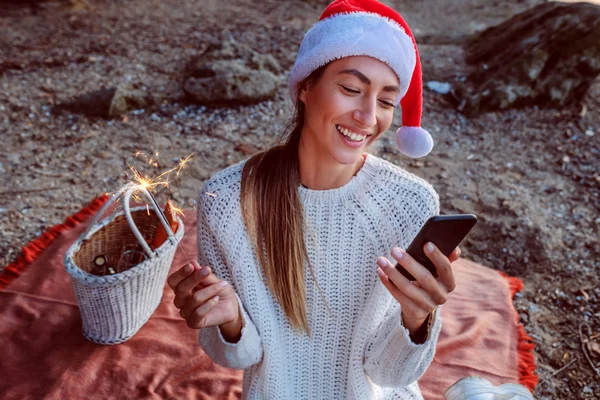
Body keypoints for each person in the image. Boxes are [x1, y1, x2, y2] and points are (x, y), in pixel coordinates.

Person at [167, 1, 533, 399]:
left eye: (387, 101)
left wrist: (417, 318)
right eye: (351, 89)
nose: (368, 116)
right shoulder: (227, 201)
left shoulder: (411, 203)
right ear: (305, 86)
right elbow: (239, 355)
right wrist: (230, 320)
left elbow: (388, 373)